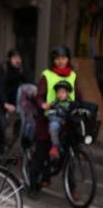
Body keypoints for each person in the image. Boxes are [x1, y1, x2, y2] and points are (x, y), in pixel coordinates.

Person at [28, 46, 83, 191]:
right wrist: (43, 104)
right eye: (57, 58)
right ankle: (32, 185)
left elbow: (78, 96)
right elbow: (39, 96)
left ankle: (72, 188)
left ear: (68, 59)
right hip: (48, 119)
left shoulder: (73, 75)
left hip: (67, 119)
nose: (60, 61)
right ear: (53, 60)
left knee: (72, 151)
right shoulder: (47, 75)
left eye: (63, 58)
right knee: (41, 152)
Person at [0, 48, 27, 154]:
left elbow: (26, 83)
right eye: (15, 58)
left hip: (14, 102)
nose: (17, 60)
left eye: (19, 58)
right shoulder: (2, 69)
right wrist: (5, 103)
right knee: (1, 123)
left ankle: (11, 146)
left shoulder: (20, 70)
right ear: (10, 59)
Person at [47, 80, 73, 160]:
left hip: (67, 124)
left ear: (68, 93)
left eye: (63, 92)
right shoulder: (55, 103)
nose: (60, 94)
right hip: (57, 123)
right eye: (58, 92)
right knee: (53, 125)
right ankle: (55, 146)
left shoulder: (70, 103)